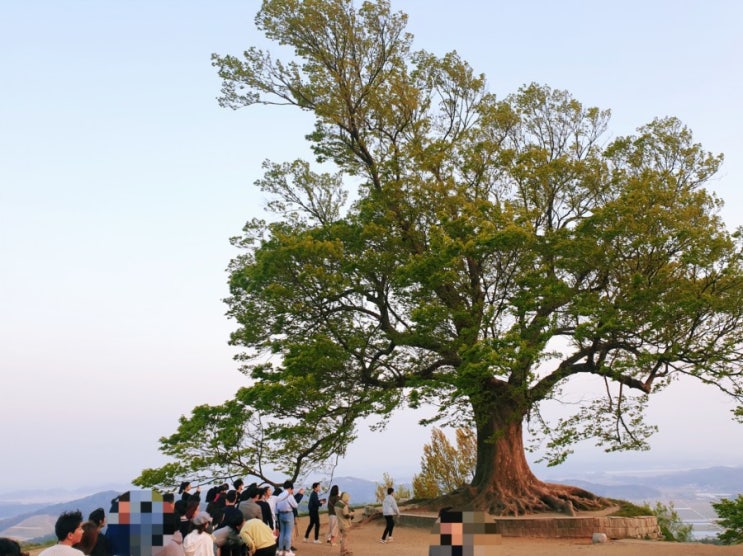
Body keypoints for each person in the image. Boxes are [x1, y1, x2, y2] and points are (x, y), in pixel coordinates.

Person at [274, 481, 298, 556]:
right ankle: (287, 550)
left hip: (281, 515)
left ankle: (280, 550)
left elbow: (276, 507)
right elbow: (295, 505)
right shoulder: (289, 496)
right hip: (288, 514)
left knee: (282, 533)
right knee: (288, 533)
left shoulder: (280, 495)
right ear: (290, 488)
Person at [334, 492, 354, 556]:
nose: (348, 500)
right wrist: (351, 514)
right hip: (345, 524)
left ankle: (344, 550)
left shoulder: (336, 504)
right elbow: (346, 515)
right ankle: (343, 552)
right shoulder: (344, 506)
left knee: (343, 537)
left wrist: (347, 505)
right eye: (347, 498)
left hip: (339, 523)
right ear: (345, 498)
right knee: (345, 538)